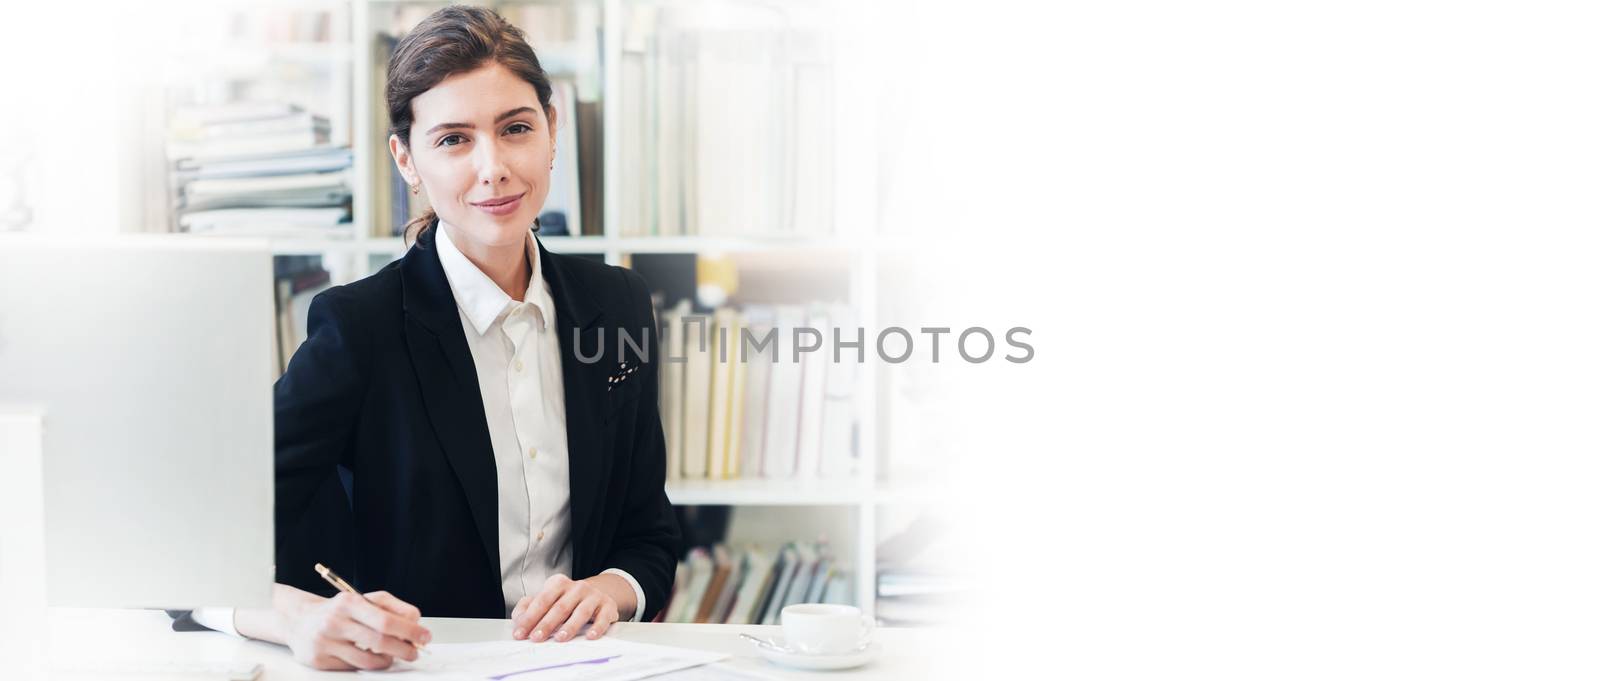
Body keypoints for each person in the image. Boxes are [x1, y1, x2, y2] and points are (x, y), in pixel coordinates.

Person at [182, 6, 679, 671]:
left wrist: (611, 591)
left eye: (516, 128)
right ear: (406, 158)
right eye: (453, 139)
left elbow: (648, 533)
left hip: (580, 666)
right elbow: (195, 530)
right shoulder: (359, 329)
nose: (493, 167)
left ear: (552, 131)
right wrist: (297, 617)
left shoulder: (616, 307)